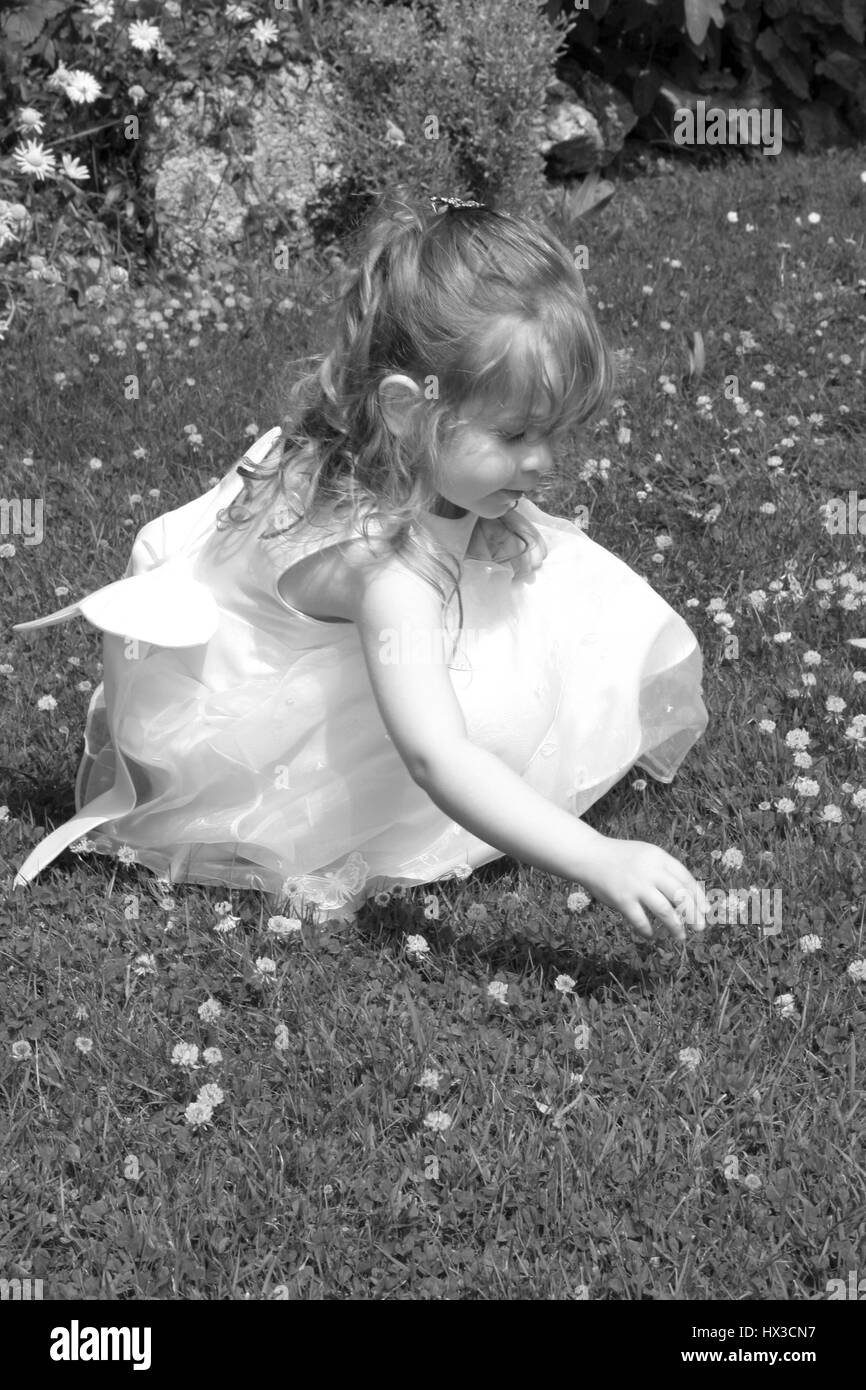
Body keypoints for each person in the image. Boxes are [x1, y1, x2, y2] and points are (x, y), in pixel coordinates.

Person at [12, 192, 710, 942]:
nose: (543, 464)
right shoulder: (388, 575)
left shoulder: (366, 443)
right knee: (497, 720)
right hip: (272, 739)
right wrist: (598, 859)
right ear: (410, 410)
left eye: (557, 433)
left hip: (299, 638)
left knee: (553, 572)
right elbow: (436, 755)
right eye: (515, 435)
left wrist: (489, 520)